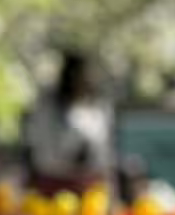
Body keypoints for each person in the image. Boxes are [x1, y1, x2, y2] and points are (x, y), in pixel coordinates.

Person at [23, 52, 115, 194]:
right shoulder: (47, 106)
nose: (85, 81)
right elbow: (37, 149)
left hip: (89, 188)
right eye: (79, 75)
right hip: (51, 185)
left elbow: (105, 155)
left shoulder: (99, 107)